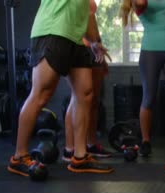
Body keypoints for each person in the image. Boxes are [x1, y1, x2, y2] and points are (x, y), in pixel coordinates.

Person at [7, 0, 113, 177]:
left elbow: (87, 11)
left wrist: (95, 41)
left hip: (77, 38)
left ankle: (80, 156)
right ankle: (19, 156)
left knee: (85, 93)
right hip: (52, 30)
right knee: (41, 93)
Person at [120, 0, 165, 158]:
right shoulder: (138, 3)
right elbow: (140, 3)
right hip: (150, 51)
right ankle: (145, 141)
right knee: (149, 97)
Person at [63, 0, 113, 161]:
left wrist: (98, 46)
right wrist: (95, 43)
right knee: (78, 98)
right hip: (81, 46)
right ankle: (70, 148)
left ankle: (90, 144)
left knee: (92, 99)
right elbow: (85, 21)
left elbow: (92, 22)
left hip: (92, 47)